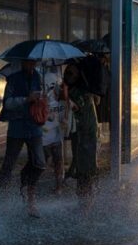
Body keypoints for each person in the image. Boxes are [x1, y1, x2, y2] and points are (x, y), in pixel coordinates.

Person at [0, 58, 46, 217]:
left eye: (34, 62)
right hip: (17, 126)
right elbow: (7, 103)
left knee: (39, 163)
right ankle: (3, 201)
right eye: (29, 62)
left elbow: (42, 96)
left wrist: (43, 101)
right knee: (9, 163)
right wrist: (26, 99)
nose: (32, 65)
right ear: (22, 62)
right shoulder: (13, 78)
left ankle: (28, 192)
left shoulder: (38, 77)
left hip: (34, 125)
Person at [64, 62, 99, 206]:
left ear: (78, 75)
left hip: (85, 133)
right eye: (67, 73)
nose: (68, 76)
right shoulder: (83, 90)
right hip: (84, 133)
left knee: (84, 166)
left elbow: (77, 108)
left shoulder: (79, 92)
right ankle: (85, 197)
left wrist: (66, 96)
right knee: (83, 165)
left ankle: (84, 198)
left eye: (71, 73)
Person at [40, 63, 68, 193]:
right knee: (56, 161)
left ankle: (57, 185)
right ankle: (58, 186)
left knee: (50, 160)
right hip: (51, 134)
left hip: (49, 134)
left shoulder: (56, 97)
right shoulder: (59, 97)